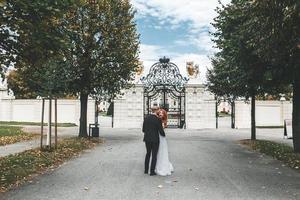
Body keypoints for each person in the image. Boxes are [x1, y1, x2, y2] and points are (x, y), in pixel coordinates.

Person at [142, 106, 166, 176]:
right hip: (155, 139)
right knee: (154, 155)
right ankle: (152, 171)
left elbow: (143, 130)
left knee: (148, 154)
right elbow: (161, 131)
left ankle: (146, 170)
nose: (159, 111)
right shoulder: (158, 119)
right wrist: (164, 135)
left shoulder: (146, 118)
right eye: (158, 110)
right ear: (157, 110)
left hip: (147, 139)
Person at [155, 108, 174, 176]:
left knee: (162, 151)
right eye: (160, 112)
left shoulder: (163, 121)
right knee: (157, 152)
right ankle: (156, 165)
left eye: (162, 113)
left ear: (164, 114)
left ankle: (163, 165)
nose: (161, 114)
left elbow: (162, 131)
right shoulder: (157, 120)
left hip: (162, 138)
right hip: (157, 137)